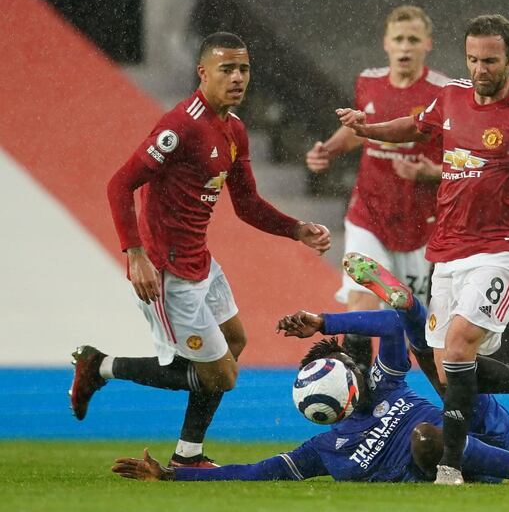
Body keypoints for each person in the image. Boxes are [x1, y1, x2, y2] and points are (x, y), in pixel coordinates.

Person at [336, 15, 509, 484]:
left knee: (457, 347)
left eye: (490, 61)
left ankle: (450, 468)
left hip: (499, 250)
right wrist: (369, 128)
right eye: (473, 59)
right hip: (448, 251)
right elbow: (417, 127)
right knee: (448, 368)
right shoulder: (453, 95)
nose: (480, 69)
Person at [69, 31, 331, 468]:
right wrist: (135, 256)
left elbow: (245, 204)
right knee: (222, 374)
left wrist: (297, 228)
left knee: (235, 341)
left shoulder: (234, 130)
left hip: (199, 261)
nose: (237, 77)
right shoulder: (181, 126)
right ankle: (99, 367)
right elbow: (119, 184)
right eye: (226, 69)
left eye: (243, 68)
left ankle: (188, 454)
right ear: (203, 72)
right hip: (166, 272)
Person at [112, 298, 509, 485]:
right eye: (350, 361)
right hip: (445, 463)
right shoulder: (324, 450)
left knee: (439, 356)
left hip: (484, 432)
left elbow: (391, 323)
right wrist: (177, 478)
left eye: (352, 360)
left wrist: (325, 320)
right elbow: (256, 471)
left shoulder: (386, 383)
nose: (358, 363)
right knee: (425, 441)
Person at [305, 5, 450, 373]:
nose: (405, 47)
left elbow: (463, 160)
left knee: (406, 324)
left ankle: (391, 391)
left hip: (418, 225)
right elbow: (361, 128)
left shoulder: (443, 93)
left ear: (427, 45)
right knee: (361, 300)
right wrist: (330, 148)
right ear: (386, 43)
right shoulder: (368, 82)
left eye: (413, 40)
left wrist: (428, 172)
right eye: (398, 39)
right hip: (368, 213)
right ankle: (357, 393)